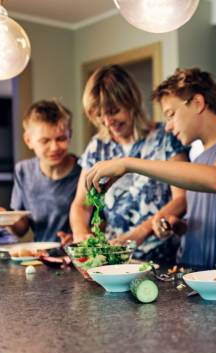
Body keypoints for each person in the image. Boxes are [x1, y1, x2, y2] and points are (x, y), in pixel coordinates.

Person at [84, 68, 216, 270]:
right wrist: (175, 226)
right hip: (192, 273)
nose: (168, 126)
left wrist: (128, 164)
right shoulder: (197, 162)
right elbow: (200, 220)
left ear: (198, 103)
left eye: (171, 115)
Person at [70, 65, 190, 262]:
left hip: (162, 258)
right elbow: (81, 205)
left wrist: (141, 232)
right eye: (100, 115)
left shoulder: (166, 138)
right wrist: (81, 235)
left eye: (114, 111)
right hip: (115, 258)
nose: (108, 122)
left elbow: (181, 199)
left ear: (131, 102)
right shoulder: (97, 146)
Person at [0, 99, 80, 243]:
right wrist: (6, 219)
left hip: (77, 256)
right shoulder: (23, 171)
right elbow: (22, 229)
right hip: (40, 257)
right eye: (45, 141)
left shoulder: (84, 172)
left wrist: (79, 239)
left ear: (69, 135)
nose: (54, 147)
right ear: (28, 140)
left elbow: (101, 222)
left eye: (61, 138)